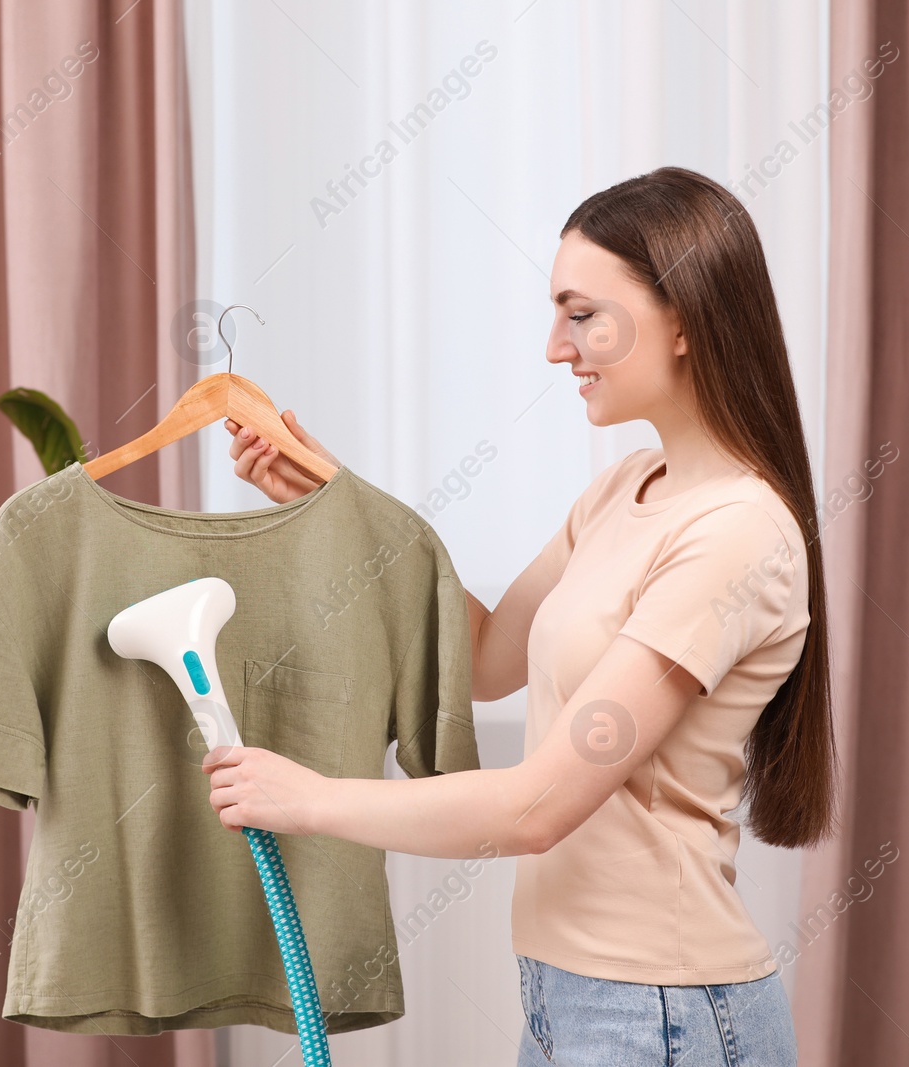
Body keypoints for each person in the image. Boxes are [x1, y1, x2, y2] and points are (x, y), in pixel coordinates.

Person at [203, 166, 835, 1066]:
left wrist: (307, 798)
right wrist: (336, 504)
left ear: (686, 319)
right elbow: (490, 653)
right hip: (572, 1000)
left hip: (659, 1014)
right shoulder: (626, 488)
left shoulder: (736, 535)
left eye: (582, 315)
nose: (554, 347)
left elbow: (539, 806)